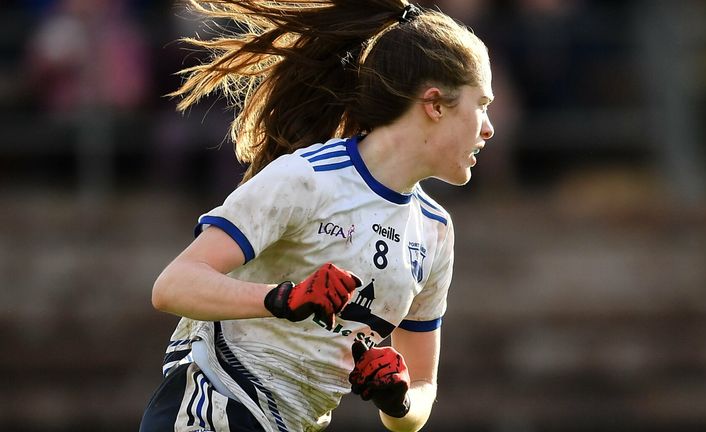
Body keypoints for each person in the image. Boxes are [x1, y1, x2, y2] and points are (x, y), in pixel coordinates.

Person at [139, 0, 495, 431]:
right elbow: (173, 286)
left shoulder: (435, 231)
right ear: (435, 104)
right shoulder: (307, 178)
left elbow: (422, 388)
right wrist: (283, 298)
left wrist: (399, 399)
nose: (489, 128)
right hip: (215, 403)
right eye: (482, 105)